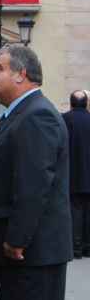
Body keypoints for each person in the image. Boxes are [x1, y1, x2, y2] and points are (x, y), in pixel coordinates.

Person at [0, 45, 72, 300]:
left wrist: (16, 240)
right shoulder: (20, 114)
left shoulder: (37, 115)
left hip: (30, 255)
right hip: (21, 255)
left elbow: (33, 185)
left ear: (21, 74)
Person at [63, 90, 90, 258]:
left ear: (71, 103)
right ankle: (88, 247)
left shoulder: (66, 119)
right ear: (86, 103)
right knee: (88, 210)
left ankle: (76, 247)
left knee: (75, 210)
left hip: (73, 173)